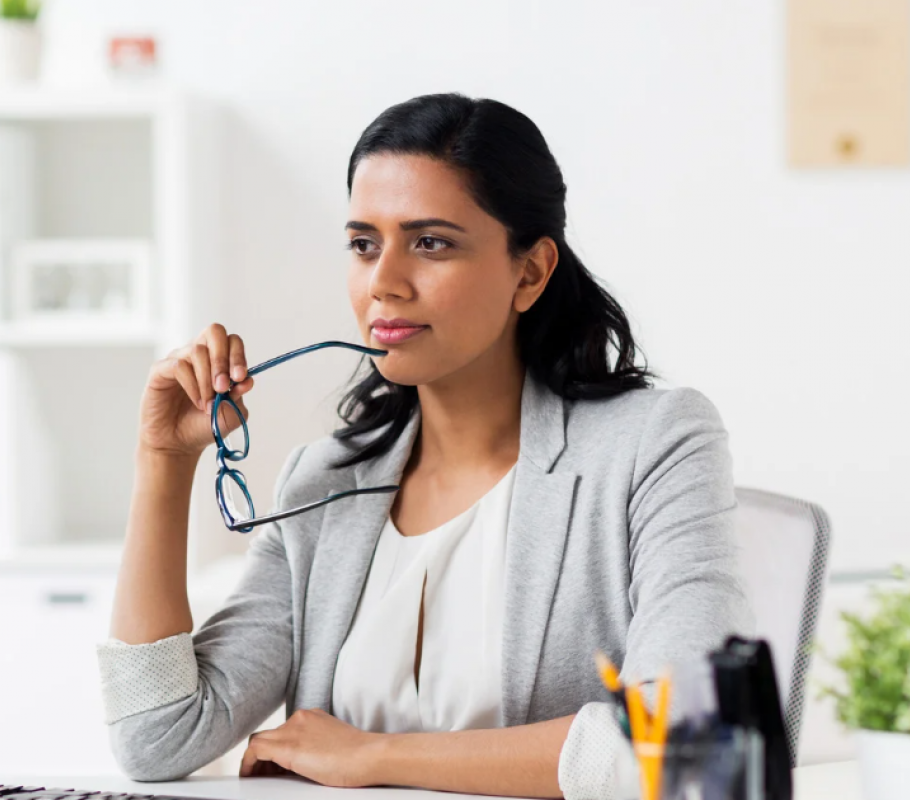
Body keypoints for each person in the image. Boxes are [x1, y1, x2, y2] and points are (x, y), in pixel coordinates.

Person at [96, 92, 752, 800]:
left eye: (431, 242)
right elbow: (155, 737)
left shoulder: (653, 445)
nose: (384, 284)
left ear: (529, 272)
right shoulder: (323, 484)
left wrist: (375, 756)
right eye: (363, 244)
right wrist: (164, 463)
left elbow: (688, 738)